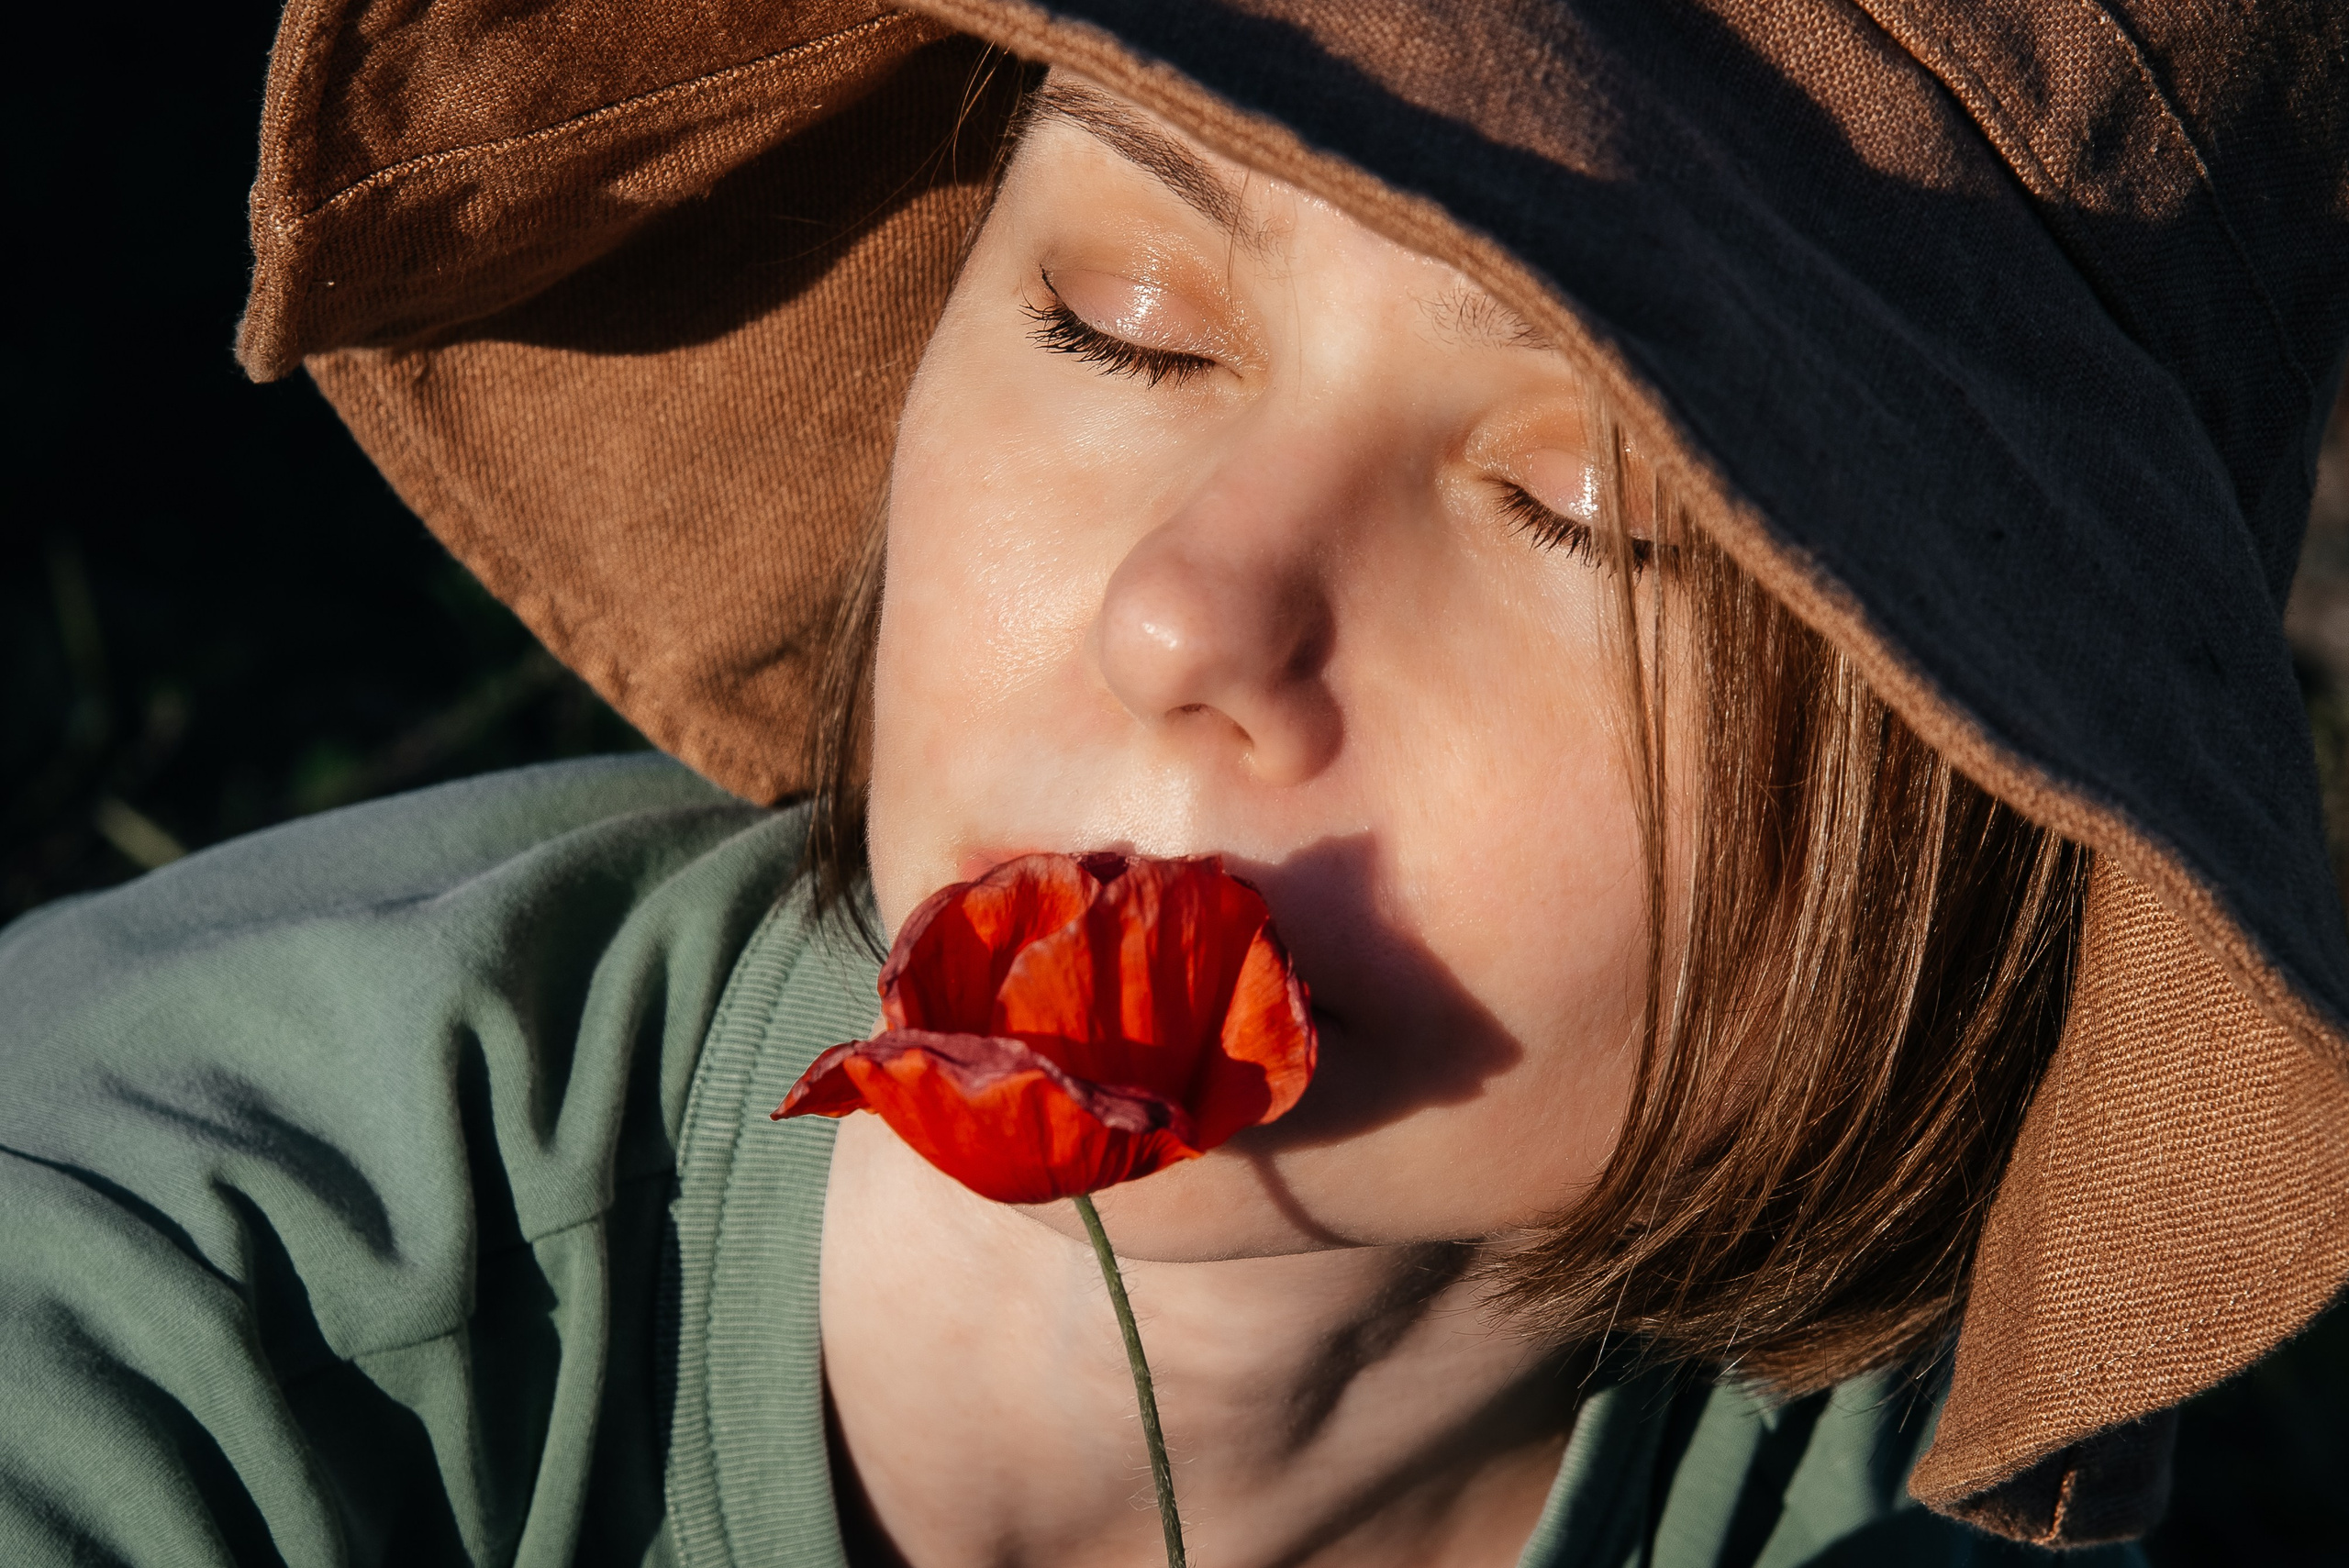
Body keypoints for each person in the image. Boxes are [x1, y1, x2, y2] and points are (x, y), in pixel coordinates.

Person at [5, 5, 2344, 1566]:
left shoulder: (1862, 1498)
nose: (1187, 610)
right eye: (1122, 321)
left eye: (1586, 500)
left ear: (1979, 781)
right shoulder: (158, 1341)